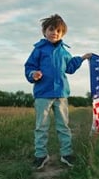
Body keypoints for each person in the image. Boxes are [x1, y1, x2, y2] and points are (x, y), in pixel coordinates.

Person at [24, 14, 92, 170]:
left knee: (63, 126)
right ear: (44, 31)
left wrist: (81, 58)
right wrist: (33, 74)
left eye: (59, 31)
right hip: (42, 94)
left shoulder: (63, 51)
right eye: (51, 29)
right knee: (41, 126)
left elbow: (70, 67)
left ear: (62, 34)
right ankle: (40, 155)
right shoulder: (38, 50)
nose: (55, 33)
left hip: (61, 94)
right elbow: (29, 67)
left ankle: (66, 154)